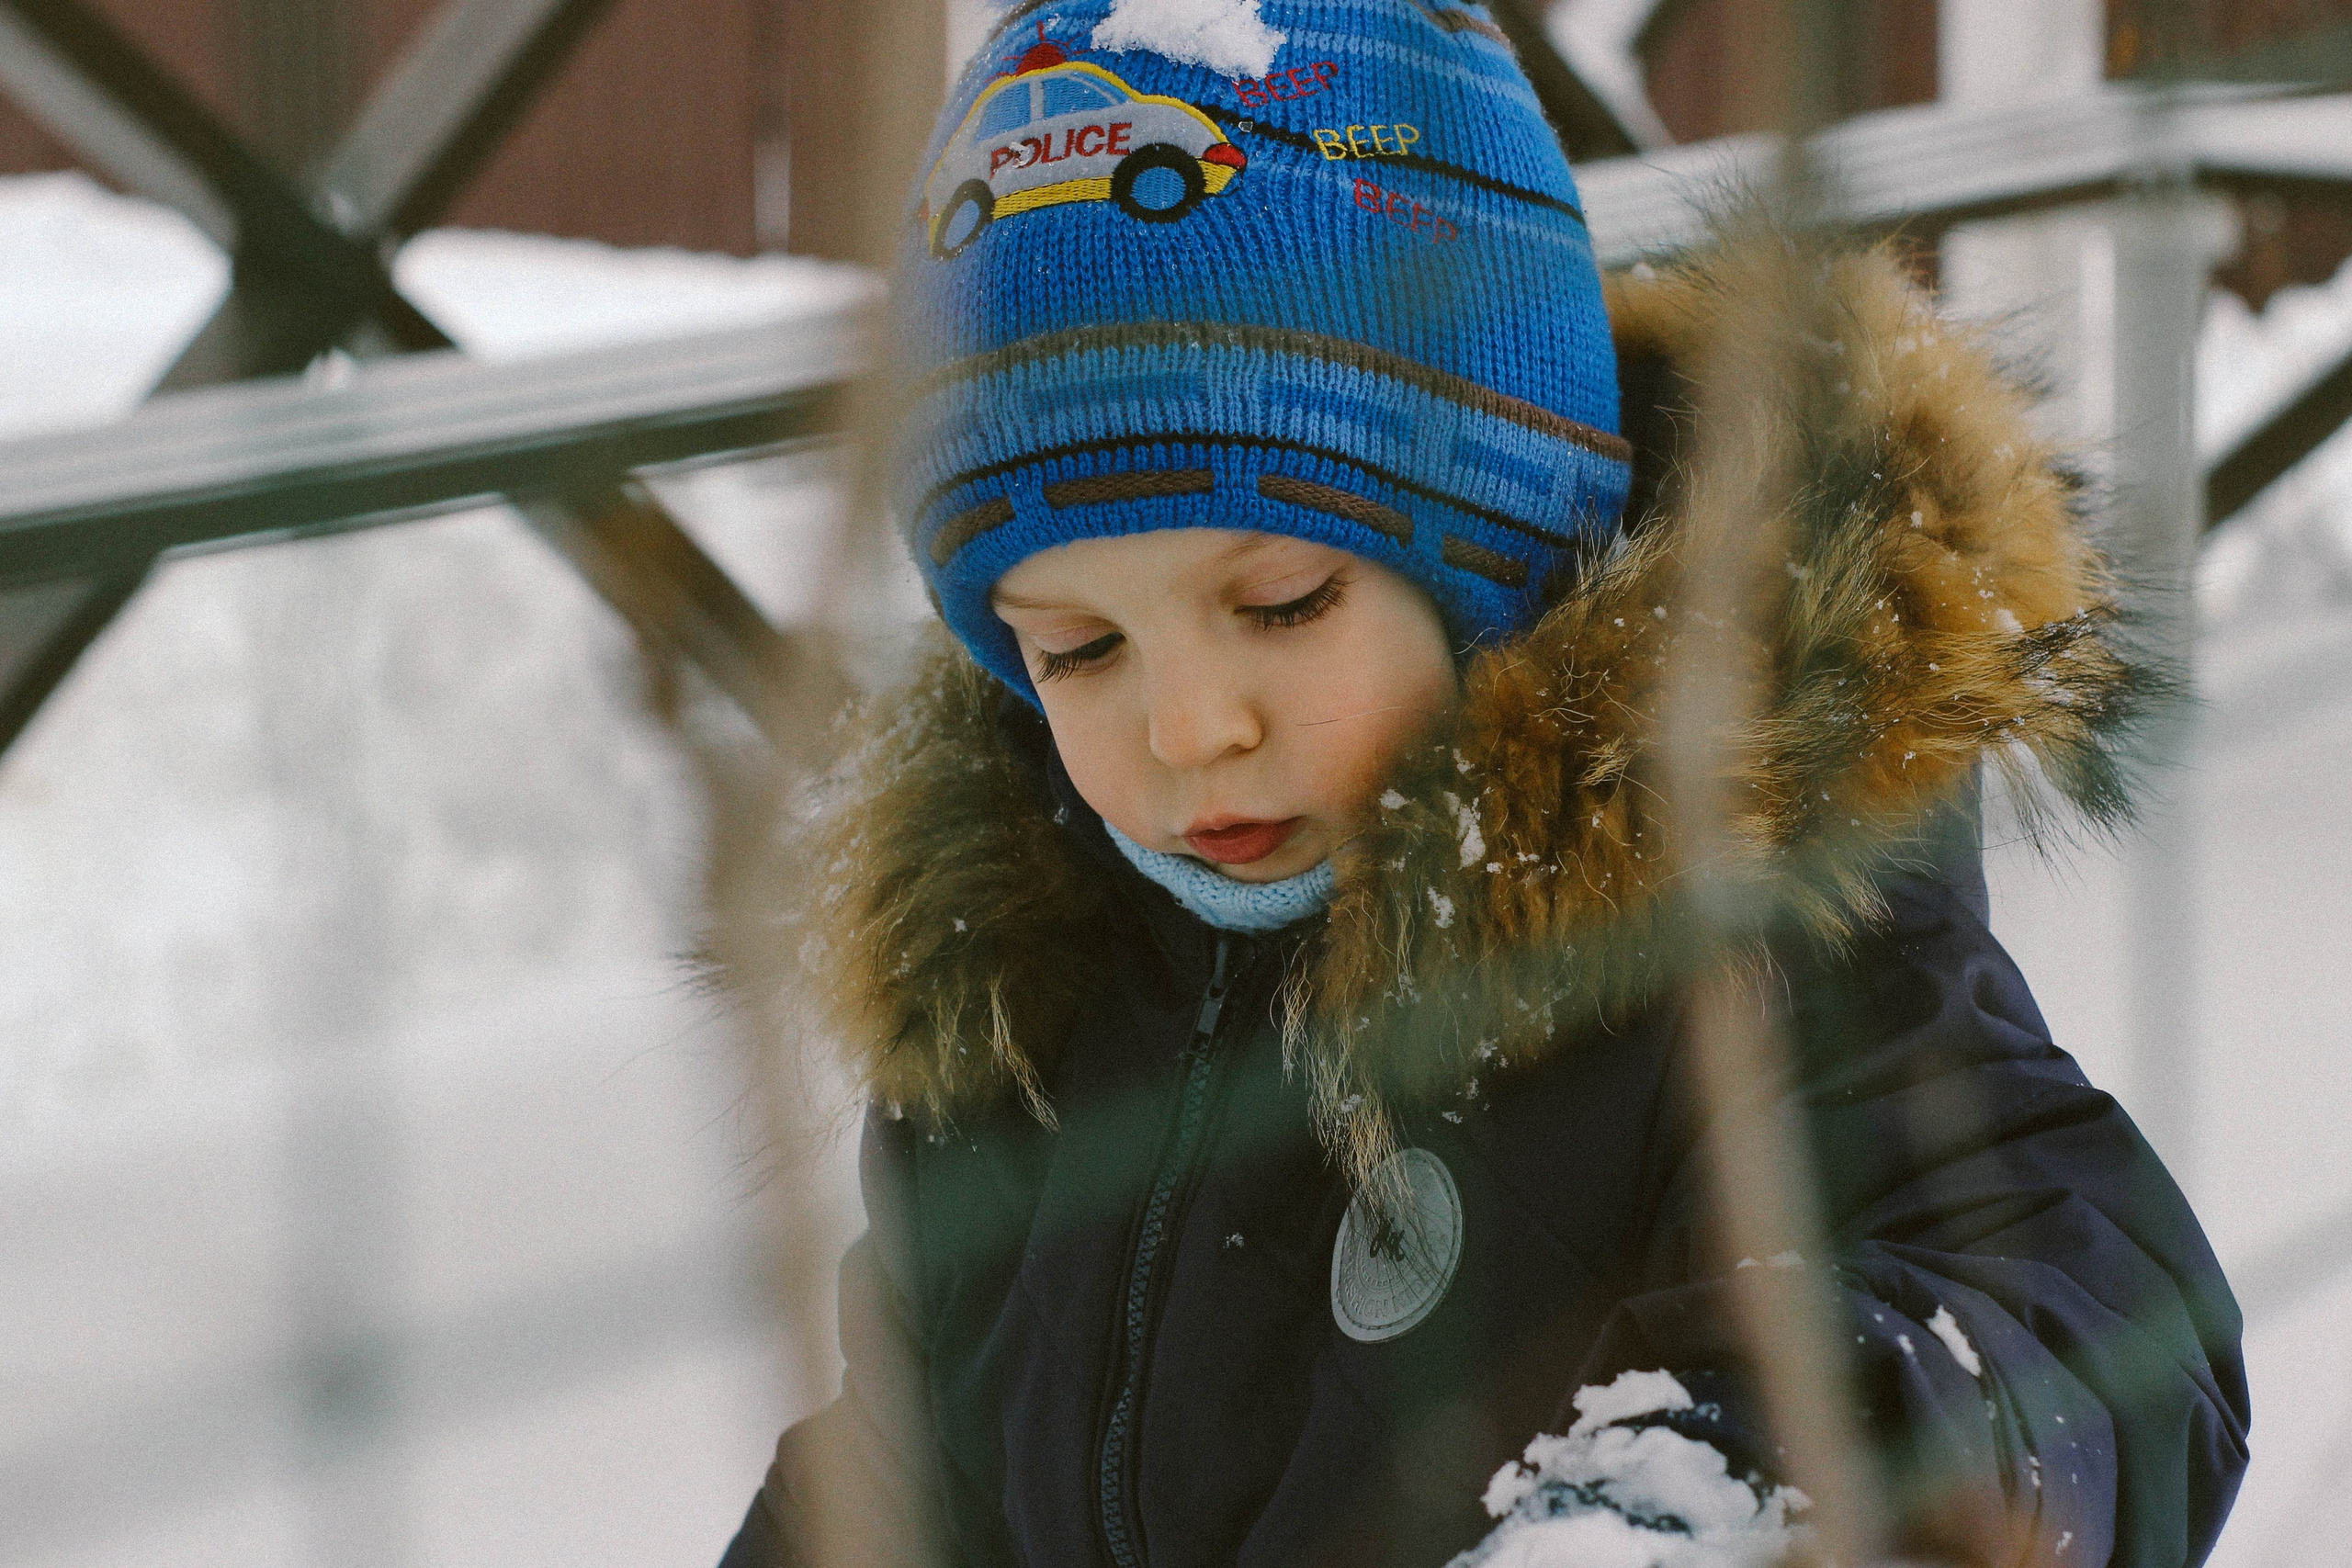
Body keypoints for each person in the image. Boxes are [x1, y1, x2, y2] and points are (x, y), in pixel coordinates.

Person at [718, 2, 2248, 1564]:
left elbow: (2081, 1304)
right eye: (1078, 649)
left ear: (1498, 551)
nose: (1188, 730)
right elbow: (905, 1474)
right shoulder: (1015, 1007)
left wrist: (1724, 1495)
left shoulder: (1743, 932)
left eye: (1286, 605)